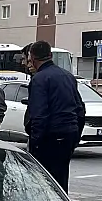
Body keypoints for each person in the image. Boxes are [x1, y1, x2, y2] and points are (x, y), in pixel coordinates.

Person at [24, 40, 86, 192]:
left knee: (45, 182)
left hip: (49, 137)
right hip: (68, 134)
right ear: (50, 55)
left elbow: (39, 114)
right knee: (61, 179)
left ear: (32, 58)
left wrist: (35, 142)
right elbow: (80, 110)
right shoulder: (68, 76)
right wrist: (76, 135)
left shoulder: (39, 79)